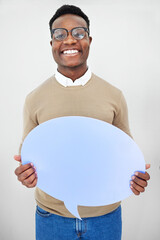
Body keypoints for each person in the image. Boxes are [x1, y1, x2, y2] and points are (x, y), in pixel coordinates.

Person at [14, 5, 150, 240]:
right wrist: (25, 175)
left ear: (89, 40)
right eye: (60, 34)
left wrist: (135, 176)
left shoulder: (114, 95)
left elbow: (125, 153)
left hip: (105, 216)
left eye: (78, 33)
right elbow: (28, 156)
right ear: (51, 44)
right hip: (51, 217)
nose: (69, 40)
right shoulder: (34, 99)